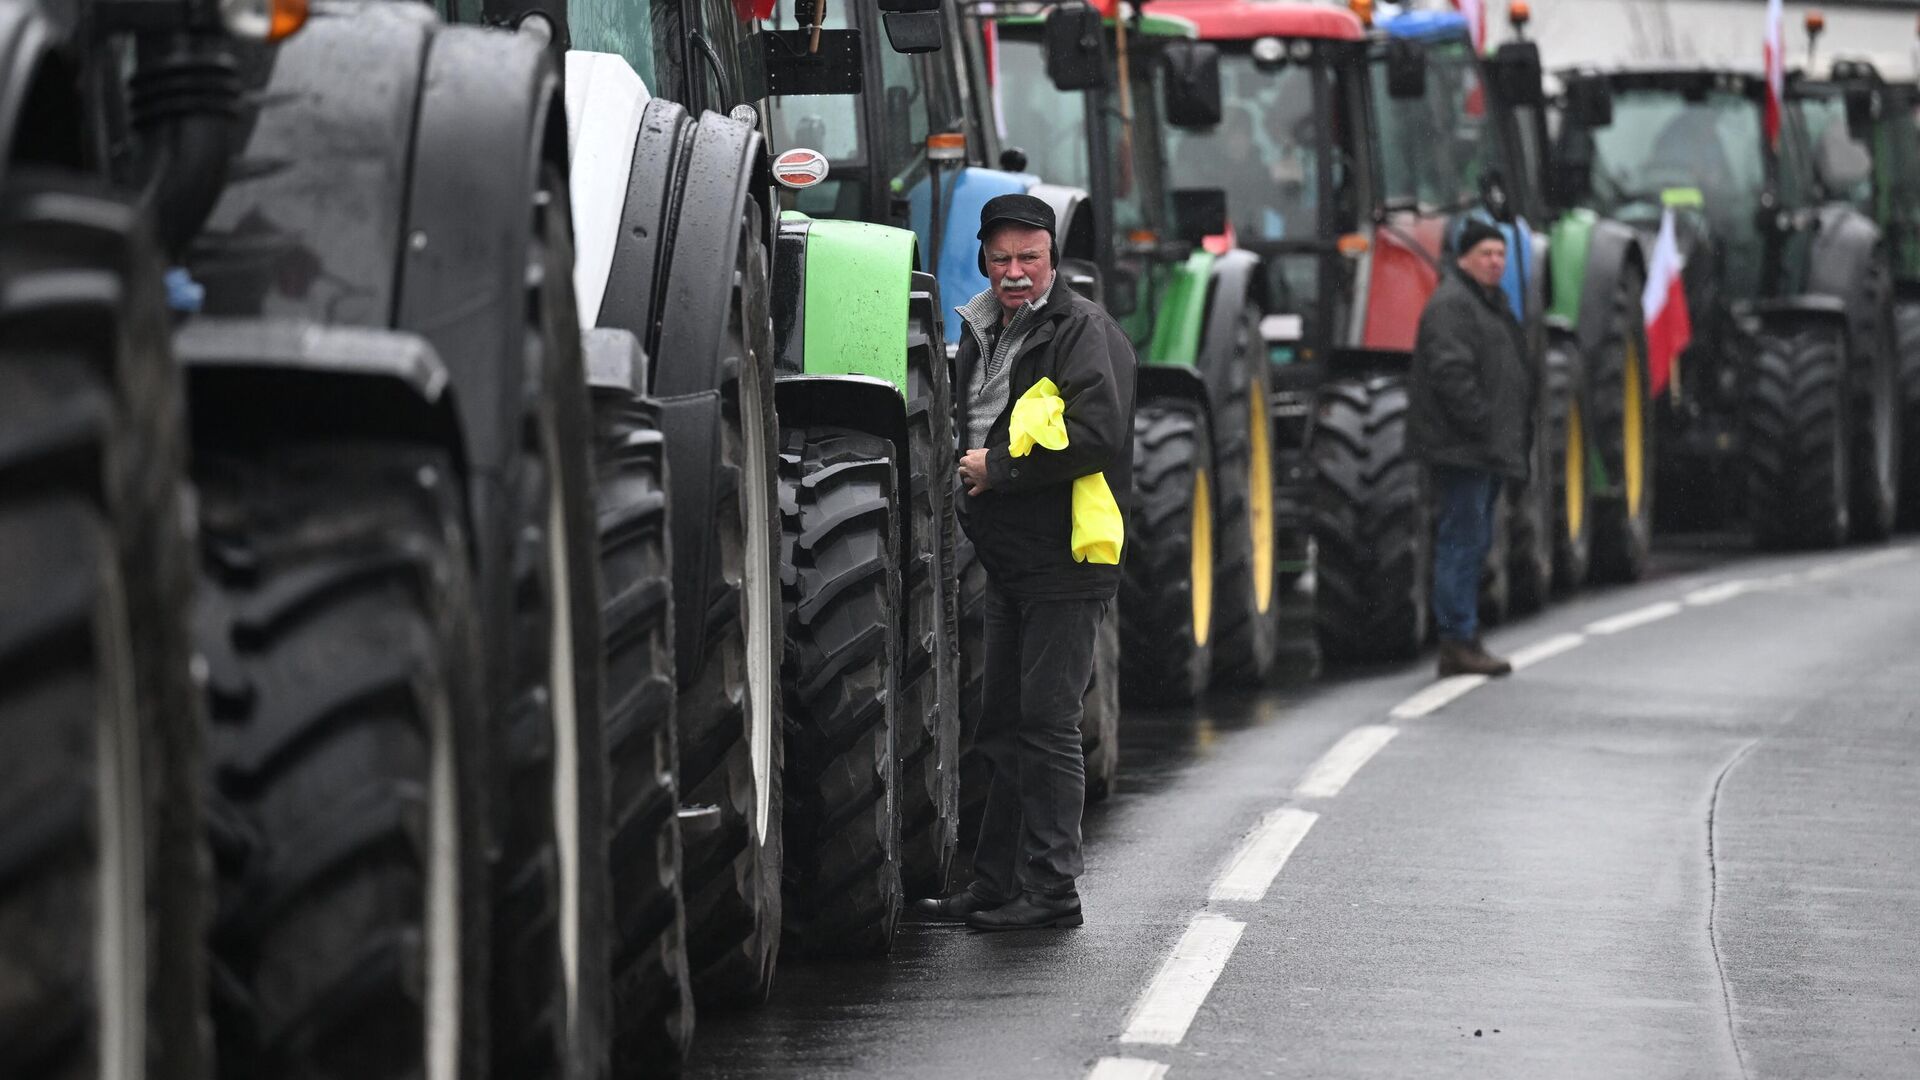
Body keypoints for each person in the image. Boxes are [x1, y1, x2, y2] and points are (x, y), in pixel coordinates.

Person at [913, 194, 1136, 931]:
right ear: (985, 259)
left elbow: (1098, 434)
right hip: (1010, 556)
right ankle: (994, 882)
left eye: (1029, 259)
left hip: (1066, 556)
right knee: (1002, 724)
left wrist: (1000, 470)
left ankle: (1052, 892)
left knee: (1047, 725)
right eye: (1002, 259)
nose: (1015, 273)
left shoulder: (1081, 330)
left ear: (1052, 260)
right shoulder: (983, 329)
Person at [1409, 218, 1531, 678]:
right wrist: (1482, 424)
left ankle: (1466, 633)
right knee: (1460, 542)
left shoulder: (1490, 304)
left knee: (1474, 540)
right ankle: (1457, 639)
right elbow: (1450, 373)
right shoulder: (1452, 305)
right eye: (1486, 254)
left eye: (1500, 254)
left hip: (1485, 448)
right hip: (1464, 447)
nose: (1496, 262)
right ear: (1463, 258)